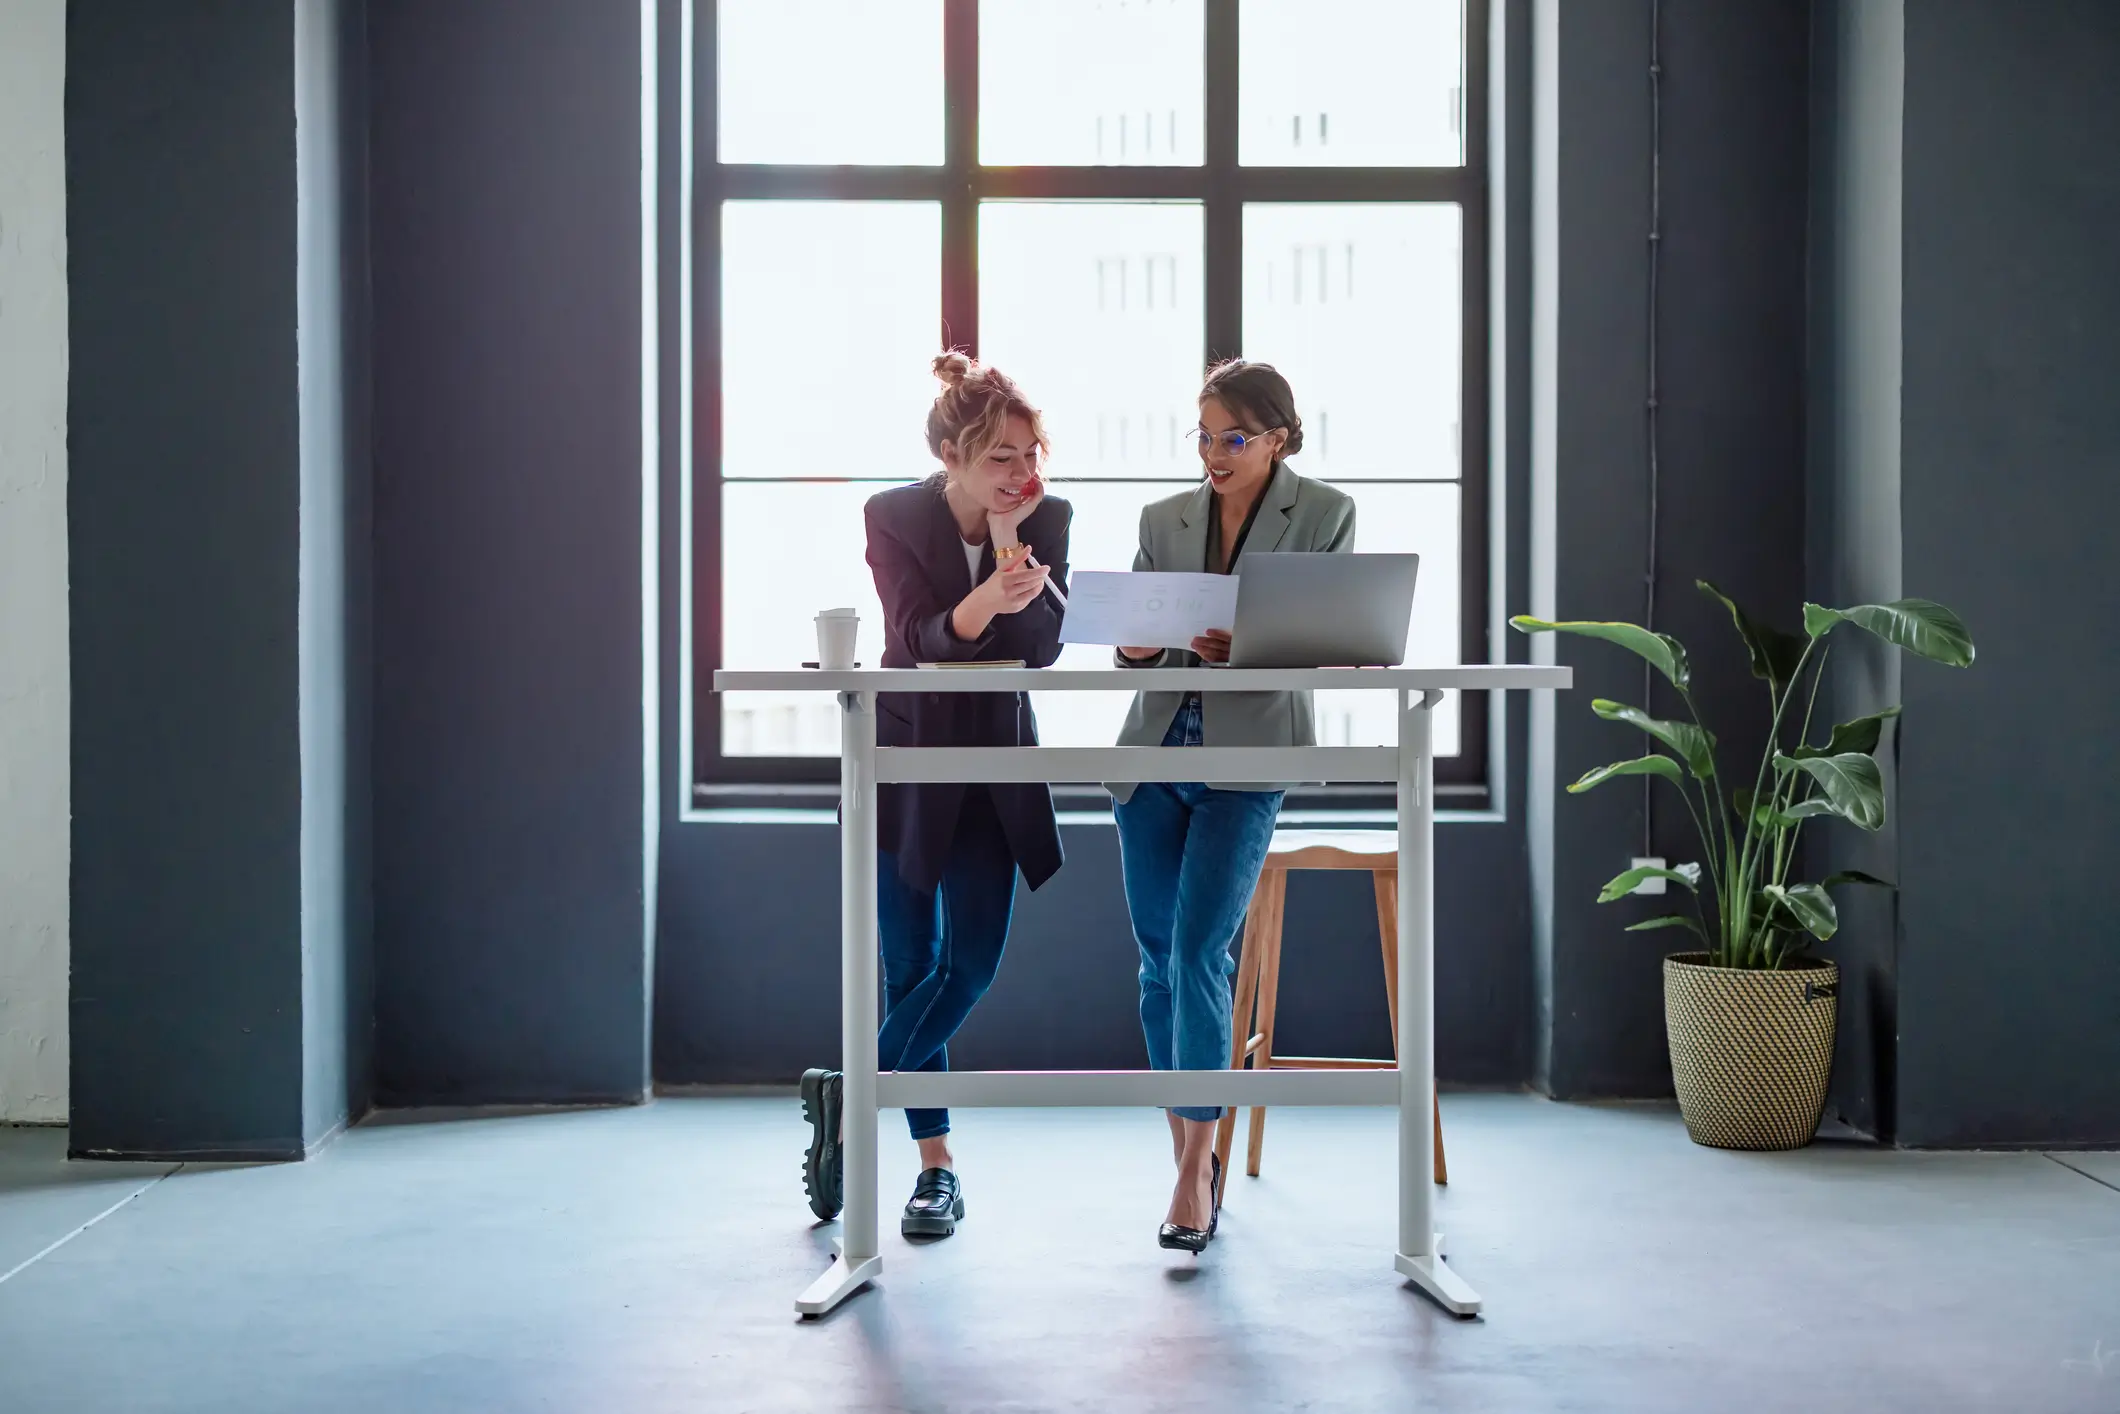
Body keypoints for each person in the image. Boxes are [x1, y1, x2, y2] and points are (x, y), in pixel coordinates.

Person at [801, 351, 1071, 1241]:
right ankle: (936, 1170)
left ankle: (849, 1097)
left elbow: (1042, 649)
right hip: (905, 761)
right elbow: (916, 637)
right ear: (952, 454)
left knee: (973, 966)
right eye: (1001, 457)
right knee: (908, 969)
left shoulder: (1045, 516)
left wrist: (1007, 550)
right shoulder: (893, 515)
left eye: (1031, 454)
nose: (1022, 474)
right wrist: (987, 597)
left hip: (996, 764)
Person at [1111, 359, 1355, 1252]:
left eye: (1234, 437)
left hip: (1249, 755)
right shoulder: (1160, 518)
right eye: (1204, 435)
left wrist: (1244, 646)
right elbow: (1133, 652)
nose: (1214, 453)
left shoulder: (1324, 514)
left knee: (1199, 948)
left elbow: (1328, 636)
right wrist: (1138, 646)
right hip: (1153, 753)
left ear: (1279, 438)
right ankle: (1191, 1155)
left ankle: (1192, 1170)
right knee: (1155, 964)